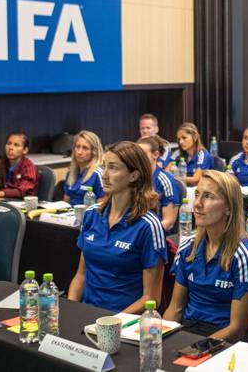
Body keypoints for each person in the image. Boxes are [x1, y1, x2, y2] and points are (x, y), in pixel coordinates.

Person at [68, 142, 167, 313]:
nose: (104, 175)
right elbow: (80, 276)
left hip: (123, 321)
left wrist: (112, 322)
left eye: (113, 168)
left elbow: (151, 298)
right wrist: (70, 308)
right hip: (86, 313)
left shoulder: (148, 226)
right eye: (104, 166)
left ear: (134, 175)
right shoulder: (92, 214)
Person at [165, 171, 248, 342]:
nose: (198, 204)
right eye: (197, 195)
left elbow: (237, 328)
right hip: (187, 330)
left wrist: (197, 350)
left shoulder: (243, 256)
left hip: (221, 340)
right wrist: (160, 338)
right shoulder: (188, 248)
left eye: (208, 197)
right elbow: (176, 308)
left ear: (229, 207)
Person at [137, 137, 181, 232]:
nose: (138, 158)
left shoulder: (166, 181)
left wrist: (142, 234)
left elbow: (168, 222)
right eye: (137, 154)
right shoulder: (133, 177)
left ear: (155, 155)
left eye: (143, 155)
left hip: (154, 234)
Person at [0, 132, 38, 198]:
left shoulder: (29, 167)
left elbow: (22, 191)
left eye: (16, 145)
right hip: (2, 201)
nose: (10, 148)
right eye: (9, 144)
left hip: (22, 203)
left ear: (25, 150)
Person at [63, 130, 105, 206]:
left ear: (94, 151)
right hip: (69, 215)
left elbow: (101, 207)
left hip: (88, 216)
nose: (79, 152)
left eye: (85, 148)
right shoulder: (70, 173)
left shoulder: (98, 174)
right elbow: (66, 203)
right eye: (77, 147)